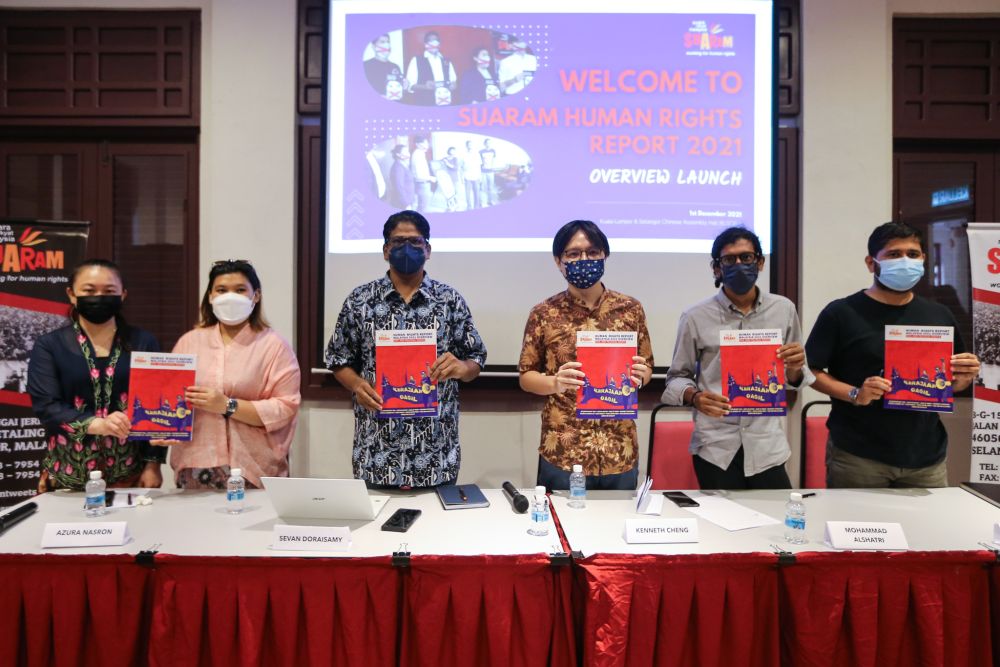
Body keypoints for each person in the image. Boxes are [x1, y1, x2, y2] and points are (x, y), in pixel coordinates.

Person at [805, 222, 981, 487]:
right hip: (859, 457)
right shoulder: (841, 313)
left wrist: (965, 376)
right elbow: (810, 371)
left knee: (925, 529)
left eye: (912, 254)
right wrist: (855, 394)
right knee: (859, 528)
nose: (905, 261)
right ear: (871, 262)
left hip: (926, 457)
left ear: (923, 259)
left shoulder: (939, 314)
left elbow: (954, 382)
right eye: (893, 254)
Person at [326, 210, 487, 488]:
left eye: (415, 242)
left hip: (436, 453)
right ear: (386, 250)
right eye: (398, 242)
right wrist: (357, 385)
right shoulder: (359, 300)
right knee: (375, 531)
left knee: (438, 530)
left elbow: (476, 359)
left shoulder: (449, 301)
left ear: (428, 249)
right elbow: (338, 359)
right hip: (376, 453)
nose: (407, 249)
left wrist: (462, 369)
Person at [662, 227, 812, 489]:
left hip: (767, 448)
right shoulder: (695, 316)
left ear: (761, 262)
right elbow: (676, 378)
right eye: (729, 260)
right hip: (716, 448)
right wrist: (694, 397)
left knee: (774, 523)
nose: (739, 265)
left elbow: (794, 380)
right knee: (722, 526)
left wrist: (796, 368)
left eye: (747, 257)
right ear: (716, 269)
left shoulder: (784, 309)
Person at [519, 220, 653, 490]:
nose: (584, 259)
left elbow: (647, 368)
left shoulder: (630, 309)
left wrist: (642, 375)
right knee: (562, 529)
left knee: (616, 528)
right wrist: (555, 382)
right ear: (559, 261)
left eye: (592, 253)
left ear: (605, 256)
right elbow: (526, 376)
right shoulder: (544, 313)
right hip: (564, 453)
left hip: (620, 449)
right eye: (573, 254)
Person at [160, 260, 301, 490]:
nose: (230, 296)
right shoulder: (189, 342)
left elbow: (285, 407)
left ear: (255, 296)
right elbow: (169, 400)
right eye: (222, 290)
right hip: (196, 463)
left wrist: (227, 405)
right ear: (210, 296)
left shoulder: (274, 346)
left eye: (240, 290)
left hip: (252, 467)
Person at [27, 259, 165, 491]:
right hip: (66, 475)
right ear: (72, 294)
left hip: (131, 475)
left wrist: (153, 464)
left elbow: (158, 406)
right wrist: (96, 424)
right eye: (89, 290)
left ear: (122, 295)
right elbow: (46, 406)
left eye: (109, 291)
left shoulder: (143, 342)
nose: (99, 297)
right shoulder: (50, 345)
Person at [405, 31, 457, 106]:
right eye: (431, 41)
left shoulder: (446, 61)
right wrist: (425, 87)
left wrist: (453, 85)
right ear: (426, 45)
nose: (434, 43)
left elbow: (454, 81)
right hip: (425, 104)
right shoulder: (416, 60)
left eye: (436, 41)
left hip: (445, 103)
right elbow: (410, 86)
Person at [363, 34, 408, 100]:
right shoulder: (366, 65)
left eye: (388, 42)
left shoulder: (395, 66)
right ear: (374, 46)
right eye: (382, 42)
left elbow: (399, 91)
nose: (386, 45)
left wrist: (404, 87)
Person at [410, 135, 436, 211]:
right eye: (425, 143)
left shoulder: (420, 153)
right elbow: (419, 175)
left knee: (422, 206)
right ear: (417, 144)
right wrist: (431, 178)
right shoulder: (418, 155)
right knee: (423, 207)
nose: (427, 145)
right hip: (423, 184)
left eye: (427, 143)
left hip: (422, 184)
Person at [387, 144, 415, 209]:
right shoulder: (398, 168)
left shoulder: (403, 164)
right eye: (405, 151)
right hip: (402, 203)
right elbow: (399, 187)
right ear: (398, 154)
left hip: (407, 199)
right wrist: (406, 204)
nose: (408, 153)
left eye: (408, 151)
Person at [462, 139, 482, 210]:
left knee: (477, 193)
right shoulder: (463, 155)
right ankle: (469, 206)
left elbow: (479, 166)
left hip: (476, 176)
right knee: (467, 194)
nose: (470, 146)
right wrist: (462, 177)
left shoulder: (477, 154)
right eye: (468, 144)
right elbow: (462, 167)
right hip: (467, 176)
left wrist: (480, 176)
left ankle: (476, 207)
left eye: (471, 144)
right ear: (466, 146)